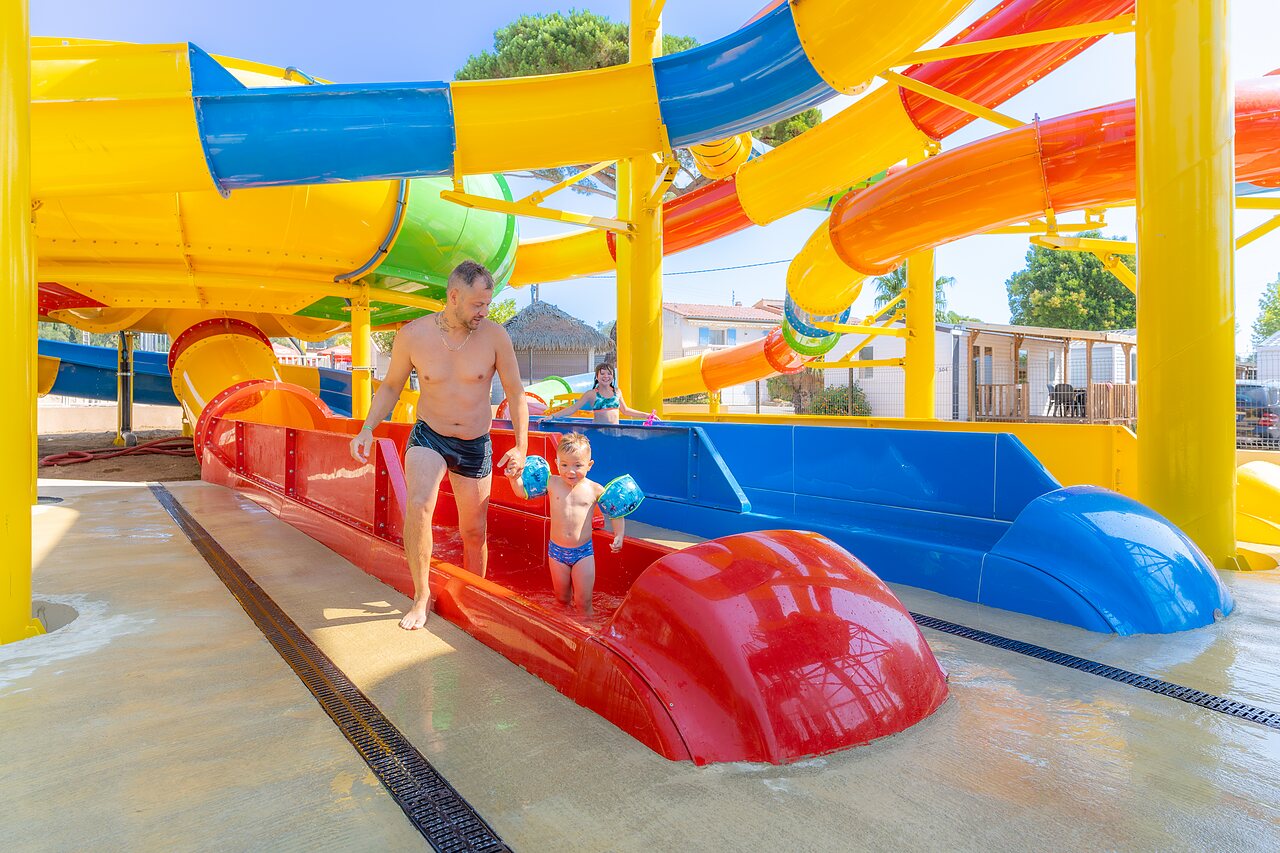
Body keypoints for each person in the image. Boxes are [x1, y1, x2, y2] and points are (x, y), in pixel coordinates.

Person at [350, 260, 528, 631]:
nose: (484, 312)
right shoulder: (414, 335)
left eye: (488, 305)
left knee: (473, 530)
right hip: (429, 433)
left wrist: (522, 447)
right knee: (418, 505)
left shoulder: (495, 336)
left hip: (475, 442)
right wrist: (367, 428)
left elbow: (515, 393)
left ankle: (472, 595)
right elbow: (390, 386)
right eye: (478, 305)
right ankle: (420, 596)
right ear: (454, 296)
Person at [508, 432, 623, 616]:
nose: (570, 471)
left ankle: (586, 633)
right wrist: (514, 479)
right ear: (556, 463)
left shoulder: (594, 489)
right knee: (562, 600)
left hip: (583, 553)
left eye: (577, 465)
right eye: (564, 465)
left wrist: (619, 534)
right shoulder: (551, 483)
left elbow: (616, 510)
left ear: (589, 465)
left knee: (583, 603)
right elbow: (523, 493)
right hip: (557, 553)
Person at [542, 361, 654, 425]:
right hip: (598, 431)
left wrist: (646, 415)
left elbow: (625, 410)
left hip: (615, 432)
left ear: (613, 377)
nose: (606, 376)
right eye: (602, 374)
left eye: (609, 374)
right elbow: (573, 408)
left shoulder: (617, 391)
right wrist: (552, 416)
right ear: (597, 377)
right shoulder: (591, 394)